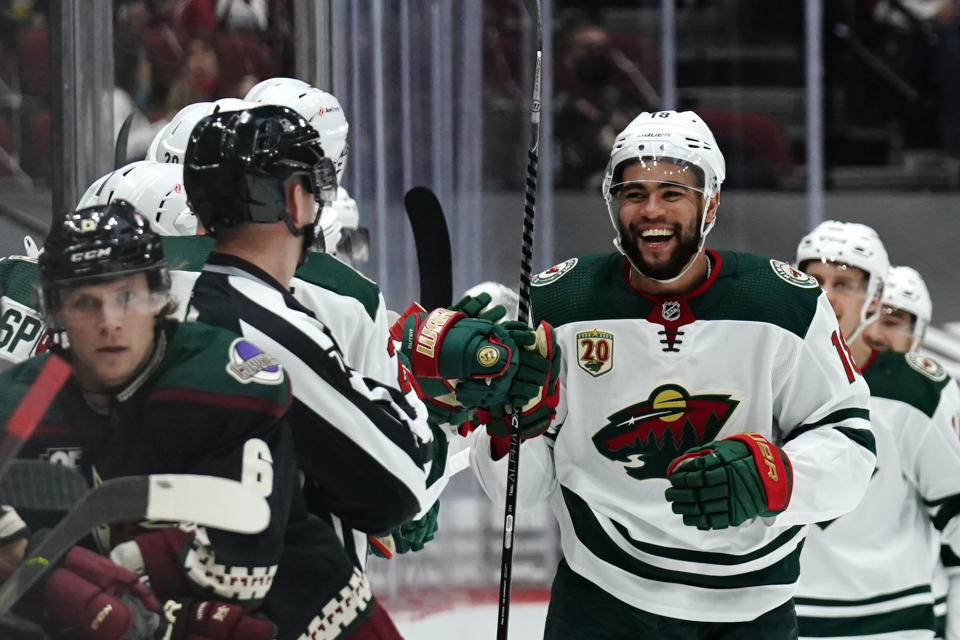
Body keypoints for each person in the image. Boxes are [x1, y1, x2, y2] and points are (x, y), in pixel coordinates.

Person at [464, 110, 877, 639]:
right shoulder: (556, 302)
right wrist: (507, 422)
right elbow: (522, 491)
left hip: (751, 612)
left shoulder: (784, 304)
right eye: (633, 193)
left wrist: (776, 475)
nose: (651, 210)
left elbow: (851, 443)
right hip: (601, 601)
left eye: (673, 192)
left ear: (712, 202)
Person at [181, 103, 543, 637]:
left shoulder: (165, 296)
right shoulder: (266, 323)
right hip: (274, 609)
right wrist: (430, 402)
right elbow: (397, 481)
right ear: (295, 200)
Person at [0, 199, 295, 639]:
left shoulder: (219, 378)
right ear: (56, 311)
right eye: (85, 303)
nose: (109, 323)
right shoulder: (25, 400)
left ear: (159, 297)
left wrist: (111, 576)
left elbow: (246, 560)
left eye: (126, 298)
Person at [794, 221, 960, 639]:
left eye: (844, 283)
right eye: (814, 280)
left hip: (896, 622)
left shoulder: (919, 388)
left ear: (875, 296)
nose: (826, 295)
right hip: (779, 617)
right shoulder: (766, 371)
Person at [850, 262, 960, 640]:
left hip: (905, 617)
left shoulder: (935, 400)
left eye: (894, 322)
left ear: (920, 333)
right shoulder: (798, 387)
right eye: (872, 318)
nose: (876, 334)